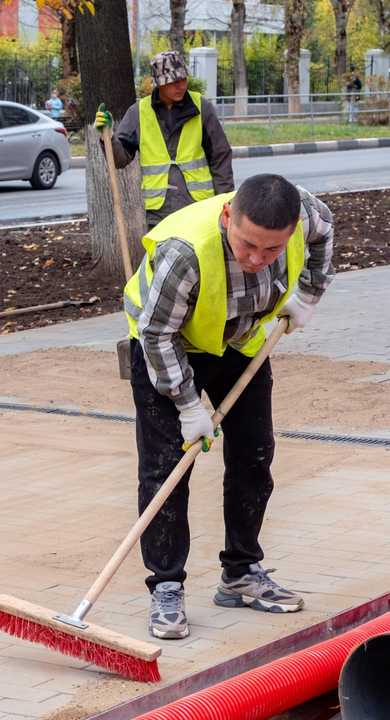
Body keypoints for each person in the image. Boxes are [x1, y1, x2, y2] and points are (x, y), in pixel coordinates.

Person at [122, 173, 335, 640]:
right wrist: (187, 404)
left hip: (240, 343)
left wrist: (308, 292)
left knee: (255, 457)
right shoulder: (185, 253)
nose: (258, 260)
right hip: (168, 348)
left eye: (272, 251)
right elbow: (158, 334)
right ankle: (166, 587)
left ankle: (241, 573)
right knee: (166, 471)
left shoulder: (305, 214)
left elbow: (325, 230)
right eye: (248, 246)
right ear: (227, 218)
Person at [95, 51, 233, 233]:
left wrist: (224, 201)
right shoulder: (139, 112)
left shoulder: (202, 107)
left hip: (199, 206)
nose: (181, 85)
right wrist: (109, 137)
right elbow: (120, 160)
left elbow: (220, 157)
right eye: (173, 81)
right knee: (162, 260)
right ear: (159, 84)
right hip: (159, 212)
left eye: (183, 78)